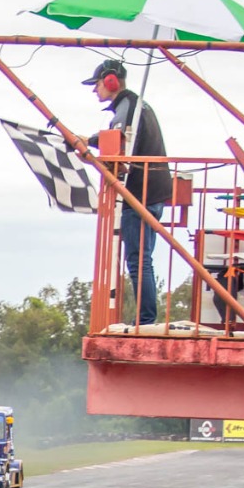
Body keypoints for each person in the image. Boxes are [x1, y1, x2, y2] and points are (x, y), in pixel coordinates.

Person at [80, 59, 172, 326]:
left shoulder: (127, 107)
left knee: (138, 260)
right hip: (150, 191)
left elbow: (117, 138)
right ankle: (145, 319)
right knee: (142, 259)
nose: (95, 90)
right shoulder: (133, 106)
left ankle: (145, 321)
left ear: (110, 81)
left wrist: (90, 141)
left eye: (97, 84)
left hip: (140, 194)